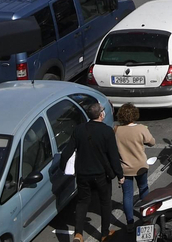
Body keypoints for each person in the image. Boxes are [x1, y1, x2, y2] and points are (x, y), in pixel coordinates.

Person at [62, 101, 121, 242]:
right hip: (101, 174)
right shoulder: (107, 131)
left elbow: (67, 153)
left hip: (82, 174)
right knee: (105, 203)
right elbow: (113, 156)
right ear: (101, 114)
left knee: (82, 202)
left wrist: (62, 166)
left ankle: (78, 234)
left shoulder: (79, 130)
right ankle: (105, 234)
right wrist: (120, 175)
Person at [114, 103, 155, 226]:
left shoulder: (116, 130)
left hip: (124, 168)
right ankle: (147, 217)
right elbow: (152, 142)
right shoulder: (141, 128)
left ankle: (130, 223)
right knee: (144, 189)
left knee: (127, 195)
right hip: (140, 166)